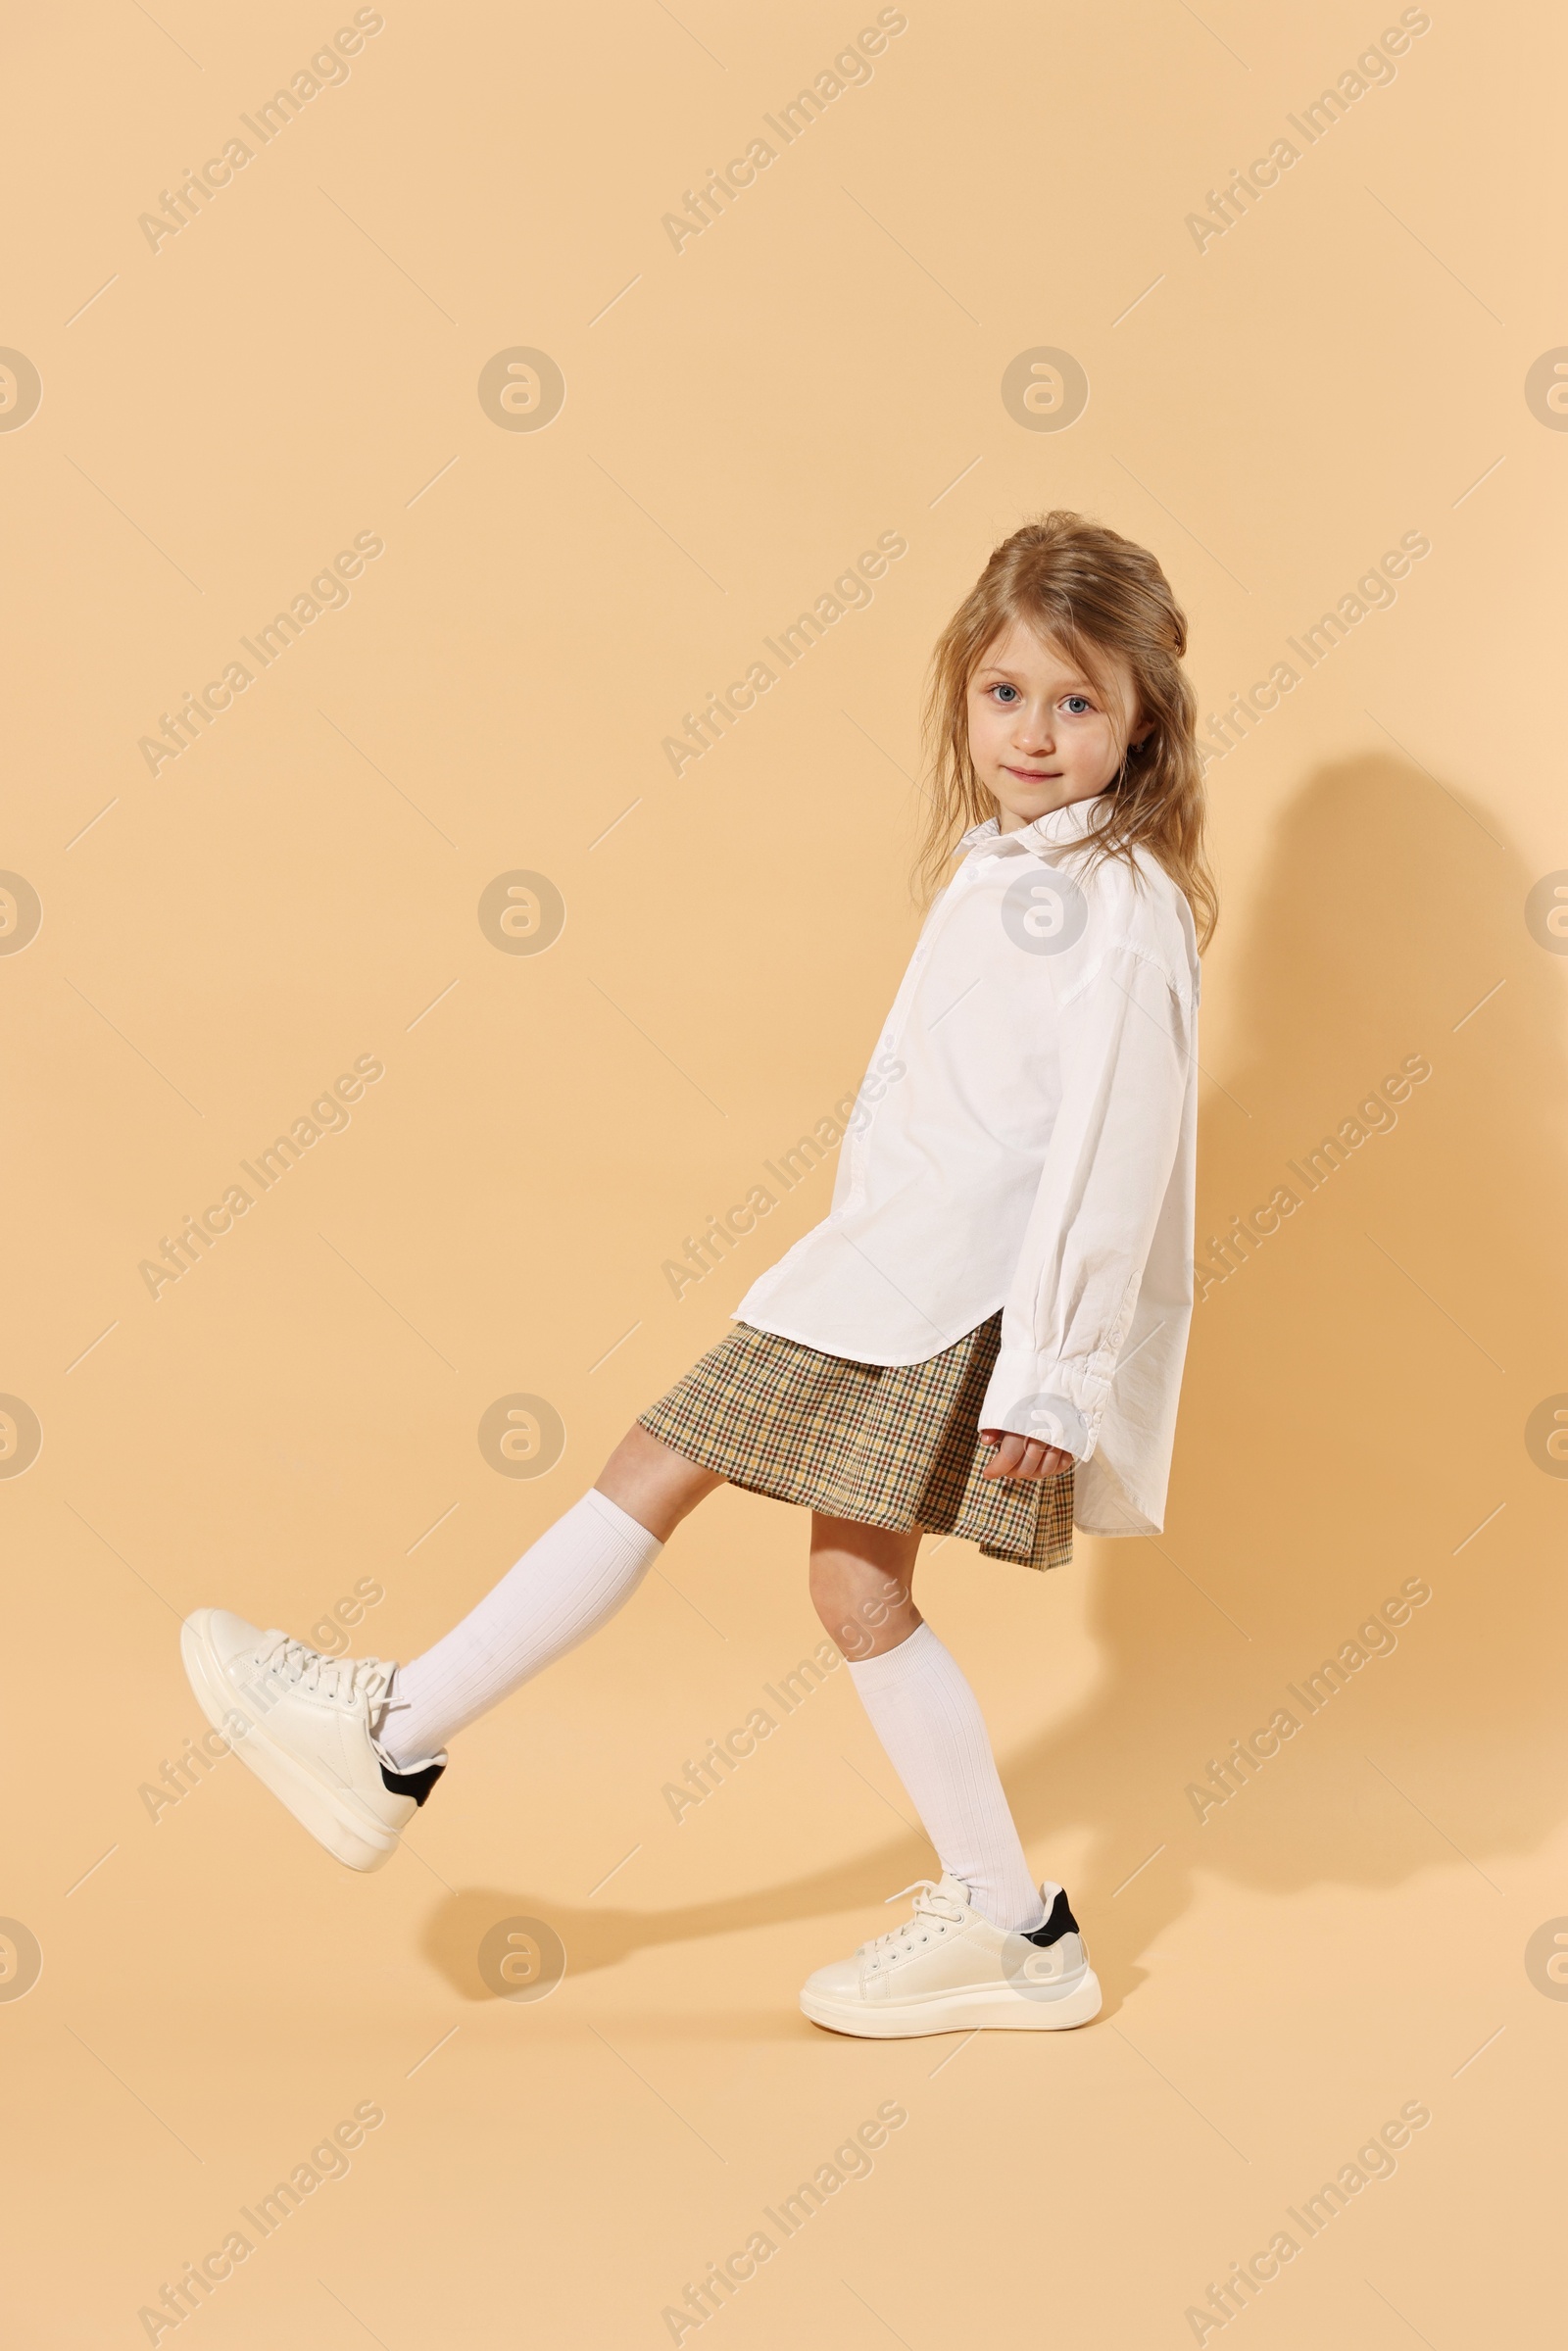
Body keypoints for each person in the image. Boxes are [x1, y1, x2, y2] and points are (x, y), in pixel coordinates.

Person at [181, 510, 1215, 2038]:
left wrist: (1052, 1383)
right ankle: (1014, 1926)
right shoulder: (1005, 869)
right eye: (1007, 694)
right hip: (893, 1266)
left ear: (1141, 723)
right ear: (962, 697)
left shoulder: (1116, 910)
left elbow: (1111, 1163)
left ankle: (393, 1732)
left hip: (945, 1295)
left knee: (661, 1463)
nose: (1038, 733)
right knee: (855, 1588)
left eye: (1079, 702)